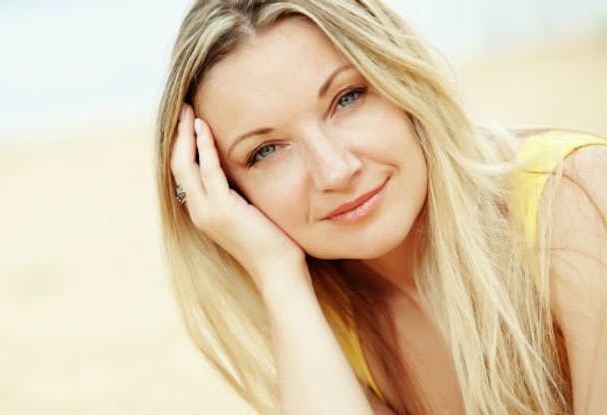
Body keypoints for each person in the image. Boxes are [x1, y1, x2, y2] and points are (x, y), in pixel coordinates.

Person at [154, 1, 607, 414]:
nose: (335, 170)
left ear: (402, 81)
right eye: (266, 151)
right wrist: (279, 278)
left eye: (347, 99)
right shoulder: (324, 321)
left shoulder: (575, 197)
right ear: (226, 190)